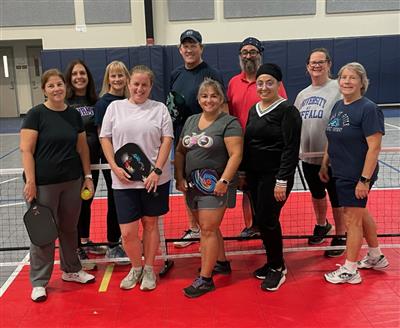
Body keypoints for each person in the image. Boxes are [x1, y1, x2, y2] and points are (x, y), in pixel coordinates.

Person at [20, 69, 96, 302]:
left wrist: (88, 177)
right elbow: (26, 150)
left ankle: (72, 270)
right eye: (51, 86)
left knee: (69, 229)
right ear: (44, 89)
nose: (56, 89)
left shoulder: (73, 115)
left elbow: (82, 148)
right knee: (43, 233)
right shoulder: (35, 115)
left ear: (65, 87)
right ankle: (39, 282)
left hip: (72, 182)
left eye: (59, 85)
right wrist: (31, 182)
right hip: (43, 184)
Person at [100, 65, 173, 291]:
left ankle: (149, 268)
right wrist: (114, 167)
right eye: (136, 84)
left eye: (145, 85)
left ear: (151, 86)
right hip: (123, 181)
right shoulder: (114, 107)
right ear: (129, 84)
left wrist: (157, 170)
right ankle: (136, 267)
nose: (139, 88)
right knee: (127, 232)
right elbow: (105, 138)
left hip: (155, 180)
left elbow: (167, 140)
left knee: (151, 224)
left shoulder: (160, 109)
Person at [175, 78, 243, 298]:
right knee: (208, 228)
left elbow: (236, 154)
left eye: (214, 96)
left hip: (216, 185)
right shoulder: (191, 120)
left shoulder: (229, 122)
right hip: (193, 185)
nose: (209, 100)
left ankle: (205, 280)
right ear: (198, 99)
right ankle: (221, 263)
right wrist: (179, 177)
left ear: (221, 98)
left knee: (207, 229)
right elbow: (180, 152)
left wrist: (224, 181)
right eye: (204, 96)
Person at [322, 62, 389, 285]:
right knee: (360, 213)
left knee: (352, 220)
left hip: (356, 173)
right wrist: (325, 163)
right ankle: (375, 255)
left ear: (362, 82)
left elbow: (374, 147)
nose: (347, 82)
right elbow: (331, 137)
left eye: (352, 78)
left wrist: (364, 180)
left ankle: (350, 269)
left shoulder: (369, 109)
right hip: (339, 171)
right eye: (343, 78)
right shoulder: (338, 106)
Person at [240, 63, 301, 291]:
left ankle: (278, 267)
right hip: (255, 177)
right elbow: (249, 143)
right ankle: (271, 262)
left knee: (268, 219)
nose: (264, 87)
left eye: (269, 83)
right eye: (260, 83)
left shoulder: (288, 111)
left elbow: (290, 149)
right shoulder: (254, 110)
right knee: (261, 221)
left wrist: (282, 180)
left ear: (278, 84)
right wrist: (244, 172)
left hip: (275, 177)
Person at [167, 29, 227, 248]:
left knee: (208, 185)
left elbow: (224, 108)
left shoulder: (212, 74)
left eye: (194, 45)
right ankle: (194, 229)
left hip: (208, 143)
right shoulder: (175, 74)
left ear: (201, 48)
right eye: (185, 46)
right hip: (183, 141)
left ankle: (208, 232)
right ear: (180, 49)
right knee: (186, 184)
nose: (189, 49)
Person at [227, 37, 288, 238]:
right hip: (240, 147)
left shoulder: (271, 83)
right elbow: (229, 113)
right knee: (246, 187)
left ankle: (267, 224)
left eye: (252, 51)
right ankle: (252, 226)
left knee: (266, 188)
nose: (248, 56)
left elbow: (283, 110)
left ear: (260, 54)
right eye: (244, 52)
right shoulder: (234, 82)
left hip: (267, 147)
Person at [294, 48, 345, 257]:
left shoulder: (338, 89)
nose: (316, 65)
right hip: (308, 156)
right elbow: (296, 124)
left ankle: (341, 234)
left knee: (336, 198)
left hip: (333, 157)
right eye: (312, 62)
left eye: (320, 61)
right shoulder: (302, 95)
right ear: (307, 67)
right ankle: (322, 225)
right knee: (316, 194)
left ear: (329, 64)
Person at [65, 59, 106, 262]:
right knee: (75, 204)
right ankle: (76, 246)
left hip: (94, 163)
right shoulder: (65, 104)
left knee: (87, 201)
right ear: (69, 79)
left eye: (82, 73)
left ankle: (85, 239)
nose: (79, 77)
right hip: (74, 164)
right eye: (75, 74)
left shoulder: (95, 102)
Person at [94, 60, 130, 262]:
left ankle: (128, 239)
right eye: (113, 76)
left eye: (120, 75)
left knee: (131, 199)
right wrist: (115, 164)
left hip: (131, 159)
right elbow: (103, 136)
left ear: (126, 78)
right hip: (112, 162)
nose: (117, 79)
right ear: (108, 79)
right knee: (115, 200)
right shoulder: (103, 104)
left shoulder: (131, 100)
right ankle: (113, 243)